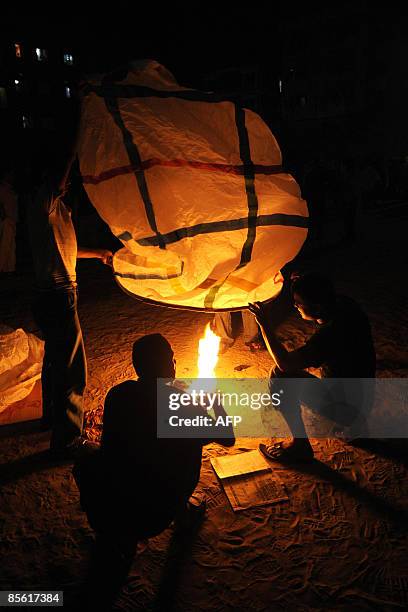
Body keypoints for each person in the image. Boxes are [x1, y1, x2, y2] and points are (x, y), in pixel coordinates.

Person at [73, 334, 235, 605]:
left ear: (137, 367)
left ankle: (114, 537)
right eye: (172, 357)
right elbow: (227, 438)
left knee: (89, 453)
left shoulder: (117, 394)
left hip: (111, 499)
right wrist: (214, 403)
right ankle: (180, 510)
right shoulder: (183, 403)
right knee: (186, 446)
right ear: (171, 366)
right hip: (157, 512)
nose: (175, 361)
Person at [27, 132, 113, 459]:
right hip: (57, 297)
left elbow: (67, 251)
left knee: (55, 362)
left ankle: (50, 419)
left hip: (54, 296)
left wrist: (98, 254)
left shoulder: (57, 212)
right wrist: (78, 136)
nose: (68, 184)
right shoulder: (42, 203)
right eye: (63, 180)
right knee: (74, 370)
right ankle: (67, 440)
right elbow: (61, 171)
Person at [249, 273, 376, 463]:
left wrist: (264, 324)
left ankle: (300, 446)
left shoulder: (331, 335)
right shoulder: (346, 305)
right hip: (364, 399)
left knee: (279, 376)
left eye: (299, 303)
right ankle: (356, 426)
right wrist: (302, 283)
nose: (295, 306)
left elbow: (285, 363)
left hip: (348, 408)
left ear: (317, 307)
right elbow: (319, 292)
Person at [0, 168, 18, 273]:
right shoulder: (2, 188)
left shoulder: (11, 189)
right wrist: (4, 215)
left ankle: (9, 268)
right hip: (6, 220)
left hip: (12, 219)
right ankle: (2, 267)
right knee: (4, 245)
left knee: (10, 246)